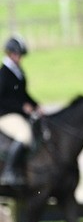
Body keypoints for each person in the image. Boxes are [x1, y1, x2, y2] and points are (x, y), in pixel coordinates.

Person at [0, 34, 42, 188]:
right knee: (24, 135)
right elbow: (3, 98)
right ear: (10, 54)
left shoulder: (18, 72)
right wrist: (21, 107)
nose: (20, 58)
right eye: (17, 54)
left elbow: (22, 94)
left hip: (18, 113)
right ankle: (9, 172)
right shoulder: (3, 73)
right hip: (5, 114)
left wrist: (35, 105)